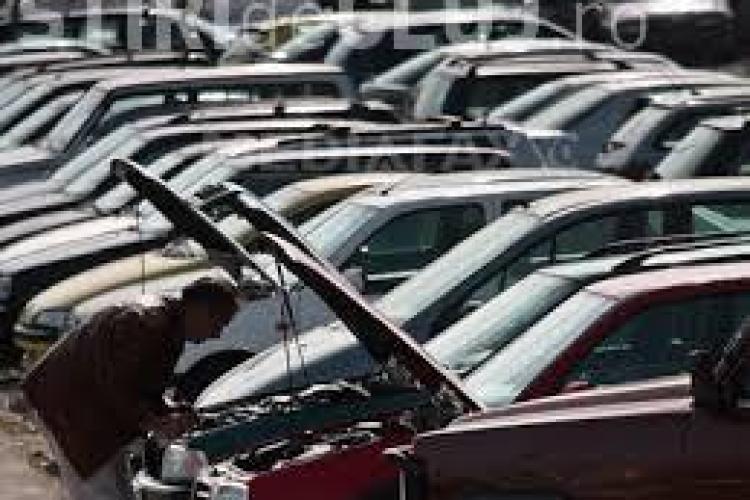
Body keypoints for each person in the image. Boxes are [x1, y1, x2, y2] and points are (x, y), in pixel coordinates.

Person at [22, 277, 240, 500]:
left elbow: (140, 386)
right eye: (219, 323)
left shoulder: (168, 325)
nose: (217, 334)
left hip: (83, 406)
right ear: (201, 310)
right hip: (72, 408)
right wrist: (156, 422)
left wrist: (169, 411)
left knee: (117, 490)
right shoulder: (146, 323)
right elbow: (116, 386)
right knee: (101, 493)